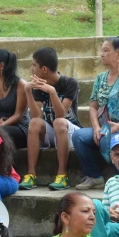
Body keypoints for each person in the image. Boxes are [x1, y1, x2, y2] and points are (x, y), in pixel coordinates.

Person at [72, 37, 119, 191]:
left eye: (106, 50)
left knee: (111, 138)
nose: (102, 54)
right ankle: (95, 177)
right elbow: (93, 106)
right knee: (78, 136)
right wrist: (95, 127)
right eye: (102, 50)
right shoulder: (100, 78)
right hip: (106, 128)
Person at [22, 47, 82, 191]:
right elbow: (36, 115)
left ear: (44, 69)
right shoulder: (38, 85)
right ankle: (31, 174)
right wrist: (28, 91)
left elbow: (61, 114)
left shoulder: (69, 83)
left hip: (71, 132)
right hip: (52, 132)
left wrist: (52, 91)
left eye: (34, 65)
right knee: (35, 123)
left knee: (59, 122)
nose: (32, 69)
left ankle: (63, 175)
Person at [0, 49, 29, 149]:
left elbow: (18, 115)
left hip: (18, 128)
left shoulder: (20, 85)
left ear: (1, 66)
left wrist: (0, 126)